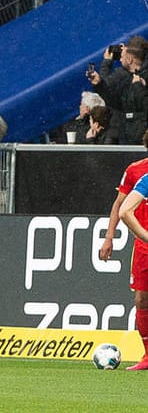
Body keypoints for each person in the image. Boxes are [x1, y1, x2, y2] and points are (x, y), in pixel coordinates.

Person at [100, 131, 148, 370]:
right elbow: (120, 206)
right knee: (141, 298)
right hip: (143, 245)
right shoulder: (137, 172)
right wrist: (109, 237)